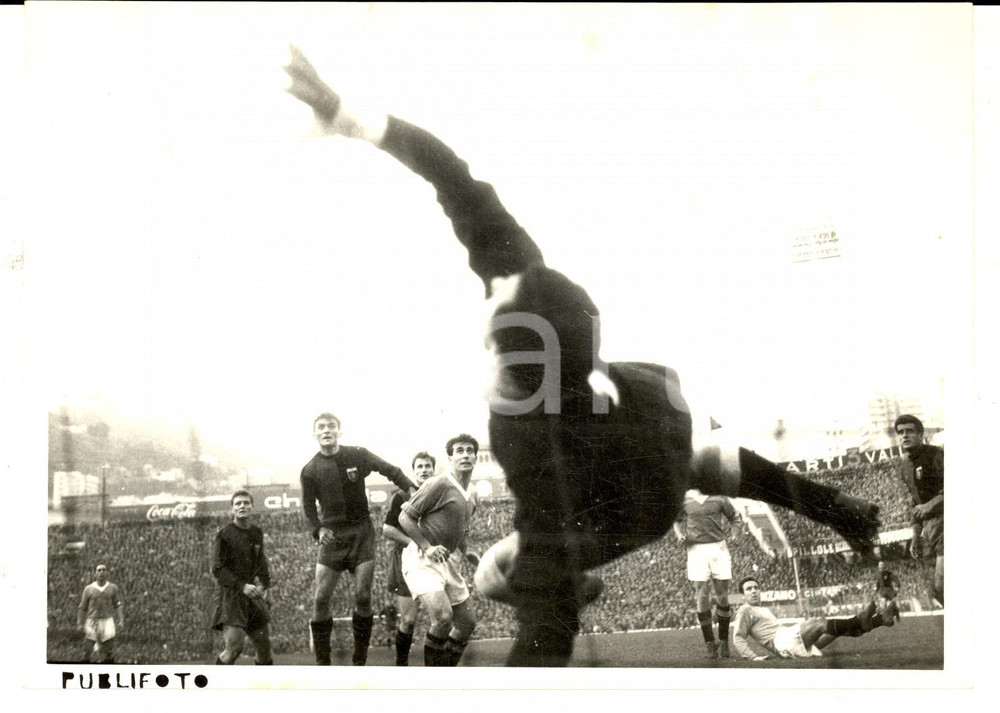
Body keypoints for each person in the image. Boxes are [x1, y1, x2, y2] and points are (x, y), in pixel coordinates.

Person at [283, 47, 881, 666]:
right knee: (687, 465)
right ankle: (832, 508)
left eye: (499, 321)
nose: (492, 301)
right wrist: (346, 115)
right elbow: (451, 175)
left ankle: (565, 583)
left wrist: (549, 605)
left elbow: (546, 627)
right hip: (643, 417)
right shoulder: (521, 283)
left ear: (519, 370)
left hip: (631, 506)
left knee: (499, 576)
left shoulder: (530, 444)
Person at [301, 412, 418, 665]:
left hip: (361, 533)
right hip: (332, 536)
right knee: (320, 598)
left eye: (331, 426)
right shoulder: (309, 470)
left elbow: (390, 470)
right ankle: (323, 661)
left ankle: (360, 658)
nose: (326, 430)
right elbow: (308, 507)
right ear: (314, 434)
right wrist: (318, 529)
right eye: (321, 427)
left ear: (339, 431)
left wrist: (411, 488)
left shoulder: (357, 455)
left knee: (363, 596)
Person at [398, 434, 481, 666]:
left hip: (447, 560)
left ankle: (445, 672)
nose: (465, 455)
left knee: (467, 624)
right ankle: (432, 679)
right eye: (459, 451)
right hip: (421, 559)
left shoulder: (473, 493)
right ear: (450, 458)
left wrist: (467, 550)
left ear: (476, 457)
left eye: (469, 451)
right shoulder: (439, 483)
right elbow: (404, 517)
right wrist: (427, 546)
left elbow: (460, 527)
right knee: (443, 618)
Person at [733, 576, 895, 661]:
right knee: (820, 623)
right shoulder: (745, 610)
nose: (753, 591)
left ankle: (879, 620)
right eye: (749, 589)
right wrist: (753, 657)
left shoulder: (762, 609)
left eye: (756, 588)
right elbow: (738, 637)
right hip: (782, 642)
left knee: (836, 630)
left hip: (787, 640)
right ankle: (861, 619)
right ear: (743, 596)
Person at [382, 450, 437, 665]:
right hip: (405, 558)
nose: (424, 470)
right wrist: (415, 543)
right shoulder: (402, 496)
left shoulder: (440, 495)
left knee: (441, 618)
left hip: (433, 560)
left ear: (434, 470)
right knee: (409, 620)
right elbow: (387, 529)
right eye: (419, 467)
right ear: (414, 472)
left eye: (427, 466)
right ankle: (402, 665)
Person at [210, 489, 273, 665]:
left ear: (252, 507)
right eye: (238, 503)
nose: (242, 506)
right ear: (232, 509)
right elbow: (217, 568)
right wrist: (242, 586)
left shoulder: (256, 532)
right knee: (234, 648)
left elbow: (260, 560)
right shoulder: (225, 534)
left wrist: (266, 587)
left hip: (252, 595)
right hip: (232, 596)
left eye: (246, 503)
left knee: (264, 646)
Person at [673, 490, 738, 658]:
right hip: (696, 549)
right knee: (702, 596)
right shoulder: (685, 499)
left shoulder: (719, 497)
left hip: (718, 548)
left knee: (722, 596)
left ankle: (724, 642)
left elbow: (734, 518)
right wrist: (680, 535)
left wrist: (735, 534)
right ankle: (710, 644)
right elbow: (676, 521)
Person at [894, 414, 944, 607]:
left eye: (910, 431)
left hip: (946, 520)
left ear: (921, 434)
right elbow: (914, 503)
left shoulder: (936, 455)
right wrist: (915, 536)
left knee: (942, 584)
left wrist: (931, 504)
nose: (904, 435)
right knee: (936, 590)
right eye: (901, 432)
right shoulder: (905, 466)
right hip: (930, 529)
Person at [77, 564, 124, 664]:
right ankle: (84, 663)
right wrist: (79, 622)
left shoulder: (112, 588)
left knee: (109, 647)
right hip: (92, 620)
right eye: (99, 570)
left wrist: (121, 620)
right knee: (88, 646)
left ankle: (108, 663)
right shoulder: (88, 589)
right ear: (95, 573)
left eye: (104, 570)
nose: (101, 572)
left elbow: (117, 604)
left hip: (107, 620)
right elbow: (82, 607)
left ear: (107, 573)